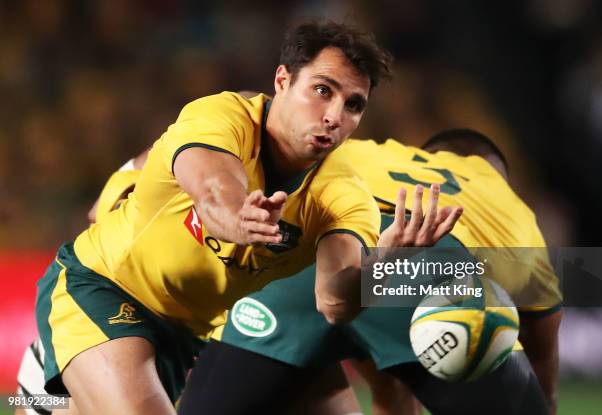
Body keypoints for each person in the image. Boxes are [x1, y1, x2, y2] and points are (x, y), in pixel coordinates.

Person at [35, 20, 462, 414]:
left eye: (353, 104)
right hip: (104, 287)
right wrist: (239, 219)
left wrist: (382, 262)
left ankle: (37, 393)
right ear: (282, 81)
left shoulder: (345, 196)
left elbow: (333, 302)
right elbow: (213, 189)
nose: (334, 115)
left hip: (187, 333)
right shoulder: (222, 117)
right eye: (322, 90)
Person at [177, 129, 562, 415]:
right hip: (420, 260)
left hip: (302, 264)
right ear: (496, 170)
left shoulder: (368, 152)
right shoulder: (508, 205)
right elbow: (542, 343)